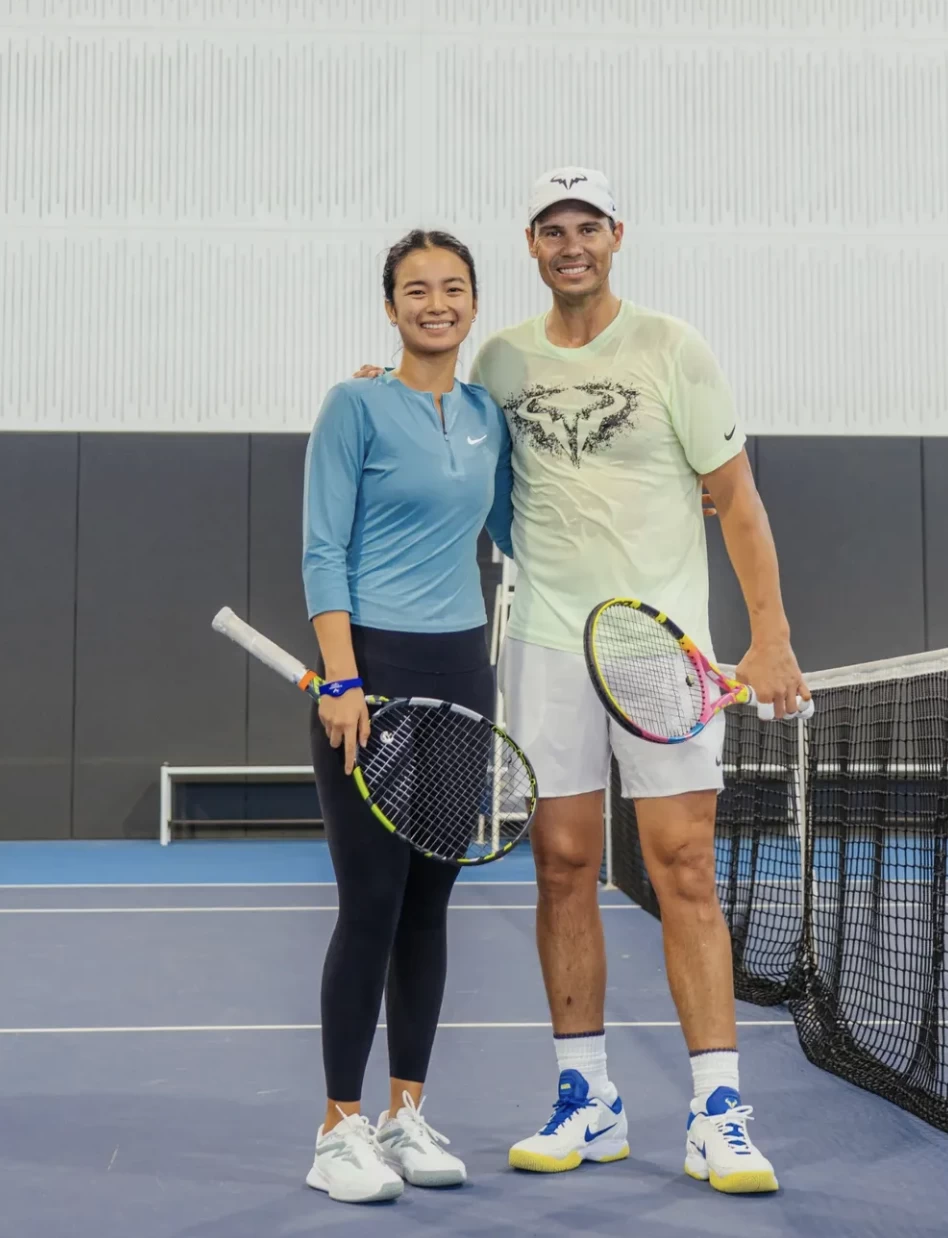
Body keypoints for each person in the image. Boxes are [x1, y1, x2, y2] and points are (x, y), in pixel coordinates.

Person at [353, 167, 810, 1195]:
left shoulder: (671, 348)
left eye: (588, 226)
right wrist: (385, 391)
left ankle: (717, 1108)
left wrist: (770, 637)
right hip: (551, 644)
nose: (572, 243)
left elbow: (735, 499)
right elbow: (451, 437)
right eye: (554, 228)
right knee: (561, 864)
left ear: (615, 236)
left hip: (662, 649)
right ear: (531, 242)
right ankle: (586, 1094)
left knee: (681, 862)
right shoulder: (503, 359)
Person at [302, 228, 513, 1204]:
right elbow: (321, 552)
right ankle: (337, 1127)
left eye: (453, 287)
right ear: (390, 306)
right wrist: (342, 678)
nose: (437, 302)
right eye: (416, 289)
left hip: (464, 672)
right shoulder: (354, 405)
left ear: (473, 302)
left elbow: (525, 524)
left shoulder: (485, 416)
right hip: (372, 675)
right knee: (372, 902)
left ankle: (405, 1110)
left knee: (431, 900)